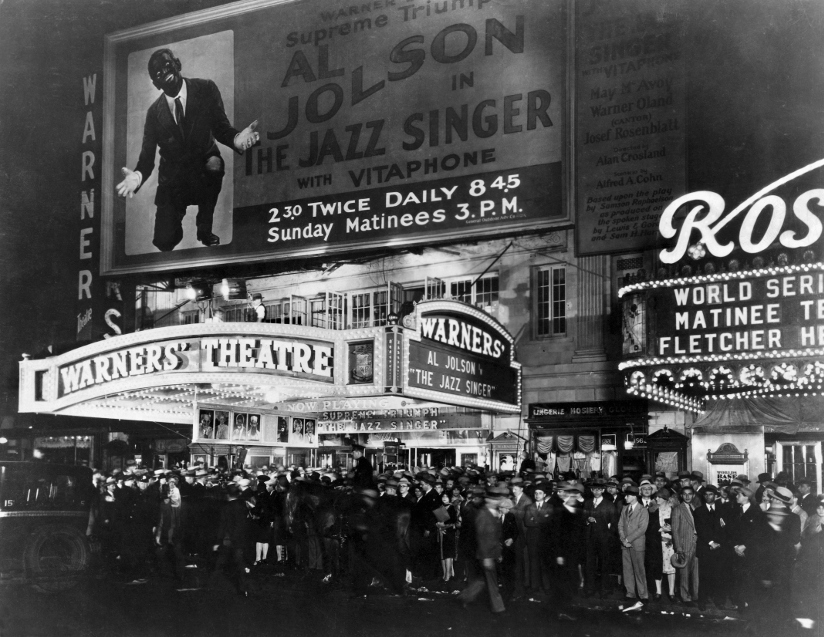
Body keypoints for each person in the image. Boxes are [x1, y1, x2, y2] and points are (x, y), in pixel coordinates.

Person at [116, 48, 259, 251]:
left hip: (202, 168)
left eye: (167, 65)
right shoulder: (153, 114)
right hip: (173, 181)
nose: (165, 72)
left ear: (178, 63)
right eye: (158, 74)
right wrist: (137, 177)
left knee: (215, 164)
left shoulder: (206, 89)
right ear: (156, 85)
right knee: (164, 242)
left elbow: (220, 127)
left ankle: (204, 227)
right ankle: (173, 229)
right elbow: (147, 158)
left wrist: (237, 139)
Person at [618, 484, 648, 610]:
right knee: (627, 569)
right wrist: (623, 540)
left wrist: (628, 539)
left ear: (635, 497)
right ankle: (630, 593)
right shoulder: (625, 508)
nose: (626, 497)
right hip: (625, 544)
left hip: (636, 544)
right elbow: (620, 525)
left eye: (628, 495)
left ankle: (643, 595)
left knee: (639, 570)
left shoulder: (643, 510)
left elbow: (642, 529)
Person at [671, 484, 699, 605]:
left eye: (690, 494)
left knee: (696, 573)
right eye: (685, 494)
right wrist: (679, 548)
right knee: (684, 573)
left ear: (693, 495)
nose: (687, 496)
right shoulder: (678, 509)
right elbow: (675, 530)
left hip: (697, 544)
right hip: (684, 545)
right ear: (681, 496)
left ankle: (696, 596)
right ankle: (685, 597)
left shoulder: (695, 507)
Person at [654, 487, 676, 601]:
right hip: (658, 542)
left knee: (671, 567)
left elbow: (677, 527)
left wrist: (670, 532)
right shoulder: (654, 510)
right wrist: (660, 530)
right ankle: (658, 591)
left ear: (665, 498)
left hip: (670, 543)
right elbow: (651, 528)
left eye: (659, 497)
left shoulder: (673, 510)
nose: (656, 499)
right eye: (656, 497)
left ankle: (671, 592)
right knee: (658, 566)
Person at [436, 491, 458, 585]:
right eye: (443, 497)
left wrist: (444, 525)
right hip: (441, 532)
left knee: (448, 554)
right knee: (442, 554)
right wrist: (439, 526)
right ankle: (444, 574)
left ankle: (448, 574)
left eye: (446, 497)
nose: (444, 498)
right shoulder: (440, 507)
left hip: (449, 533)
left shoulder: (452, 507)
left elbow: (454, 521)